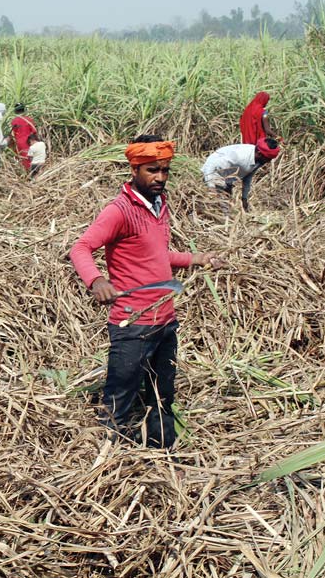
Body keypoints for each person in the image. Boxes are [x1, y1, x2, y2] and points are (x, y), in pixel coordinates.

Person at [70, 134, 224, 448]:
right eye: (152, 170)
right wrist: (97, 281)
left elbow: (155, 255)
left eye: (165, 170)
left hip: (165, 320)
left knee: (162, 394)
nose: (160, 178)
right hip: (133, 323)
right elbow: (81, 248)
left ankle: (162, 452)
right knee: (120, 397)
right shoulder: (119, 210)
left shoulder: (159, 205)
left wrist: (195, 259)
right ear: (134, 168)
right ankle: (107, 459)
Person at [201, 137, 280, 214]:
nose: (268, 162)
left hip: (228, 176)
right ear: (259, 154)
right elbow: (211, 166)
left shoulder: (259, 159)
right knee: (222, 209)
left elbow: (248, 177)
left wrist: (244, 198)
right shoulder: (239, 156)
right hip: (213, 173)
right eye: (268, 159)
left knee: (227, 205)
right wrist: (211, 187)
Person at [9, 103, 38, 171]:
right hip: (29, 142)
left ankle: (24, 174)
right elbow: (34, 131)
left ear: (15, 111)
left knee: (21, 159)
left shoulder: (14, 121)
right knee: (30, 158)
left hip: (19, 143)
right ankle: (32, 174)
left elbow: (12, 134)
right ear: (24, 110)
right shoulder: (29, 120)